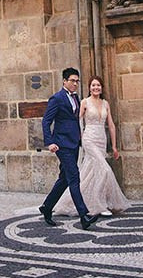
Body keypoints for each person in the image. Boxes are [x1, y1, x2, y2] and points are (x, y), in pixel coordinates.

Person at [53, 76, 131, 217]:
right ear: (89, 87)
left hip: (101, 139)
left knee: (92, 172)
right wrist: (80, 138)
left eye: (98, 85)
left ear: (101, 88)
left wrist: (114, 146)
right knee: (105, 170)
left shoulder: (105, 103)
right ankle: (98, 205)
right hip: (89, 139)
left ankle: (76, 202)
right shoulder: (84, 102)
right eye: (93, 85)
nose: (96, 88)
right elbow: (76, 121)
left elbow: (111, 125)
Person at [38, 68, 101, 231]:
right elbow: (46, 121)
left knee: (65, 179)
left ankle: (47, 207)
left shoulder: (76, 98)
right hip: (61, 144)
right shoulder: (57, 98)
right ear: (64, 81)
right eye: (72, 80)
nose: (75, 84)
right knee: (74, 177)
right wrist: (50, 142)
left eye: (77, 81)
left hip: (73, 143)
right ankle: (84, 215)